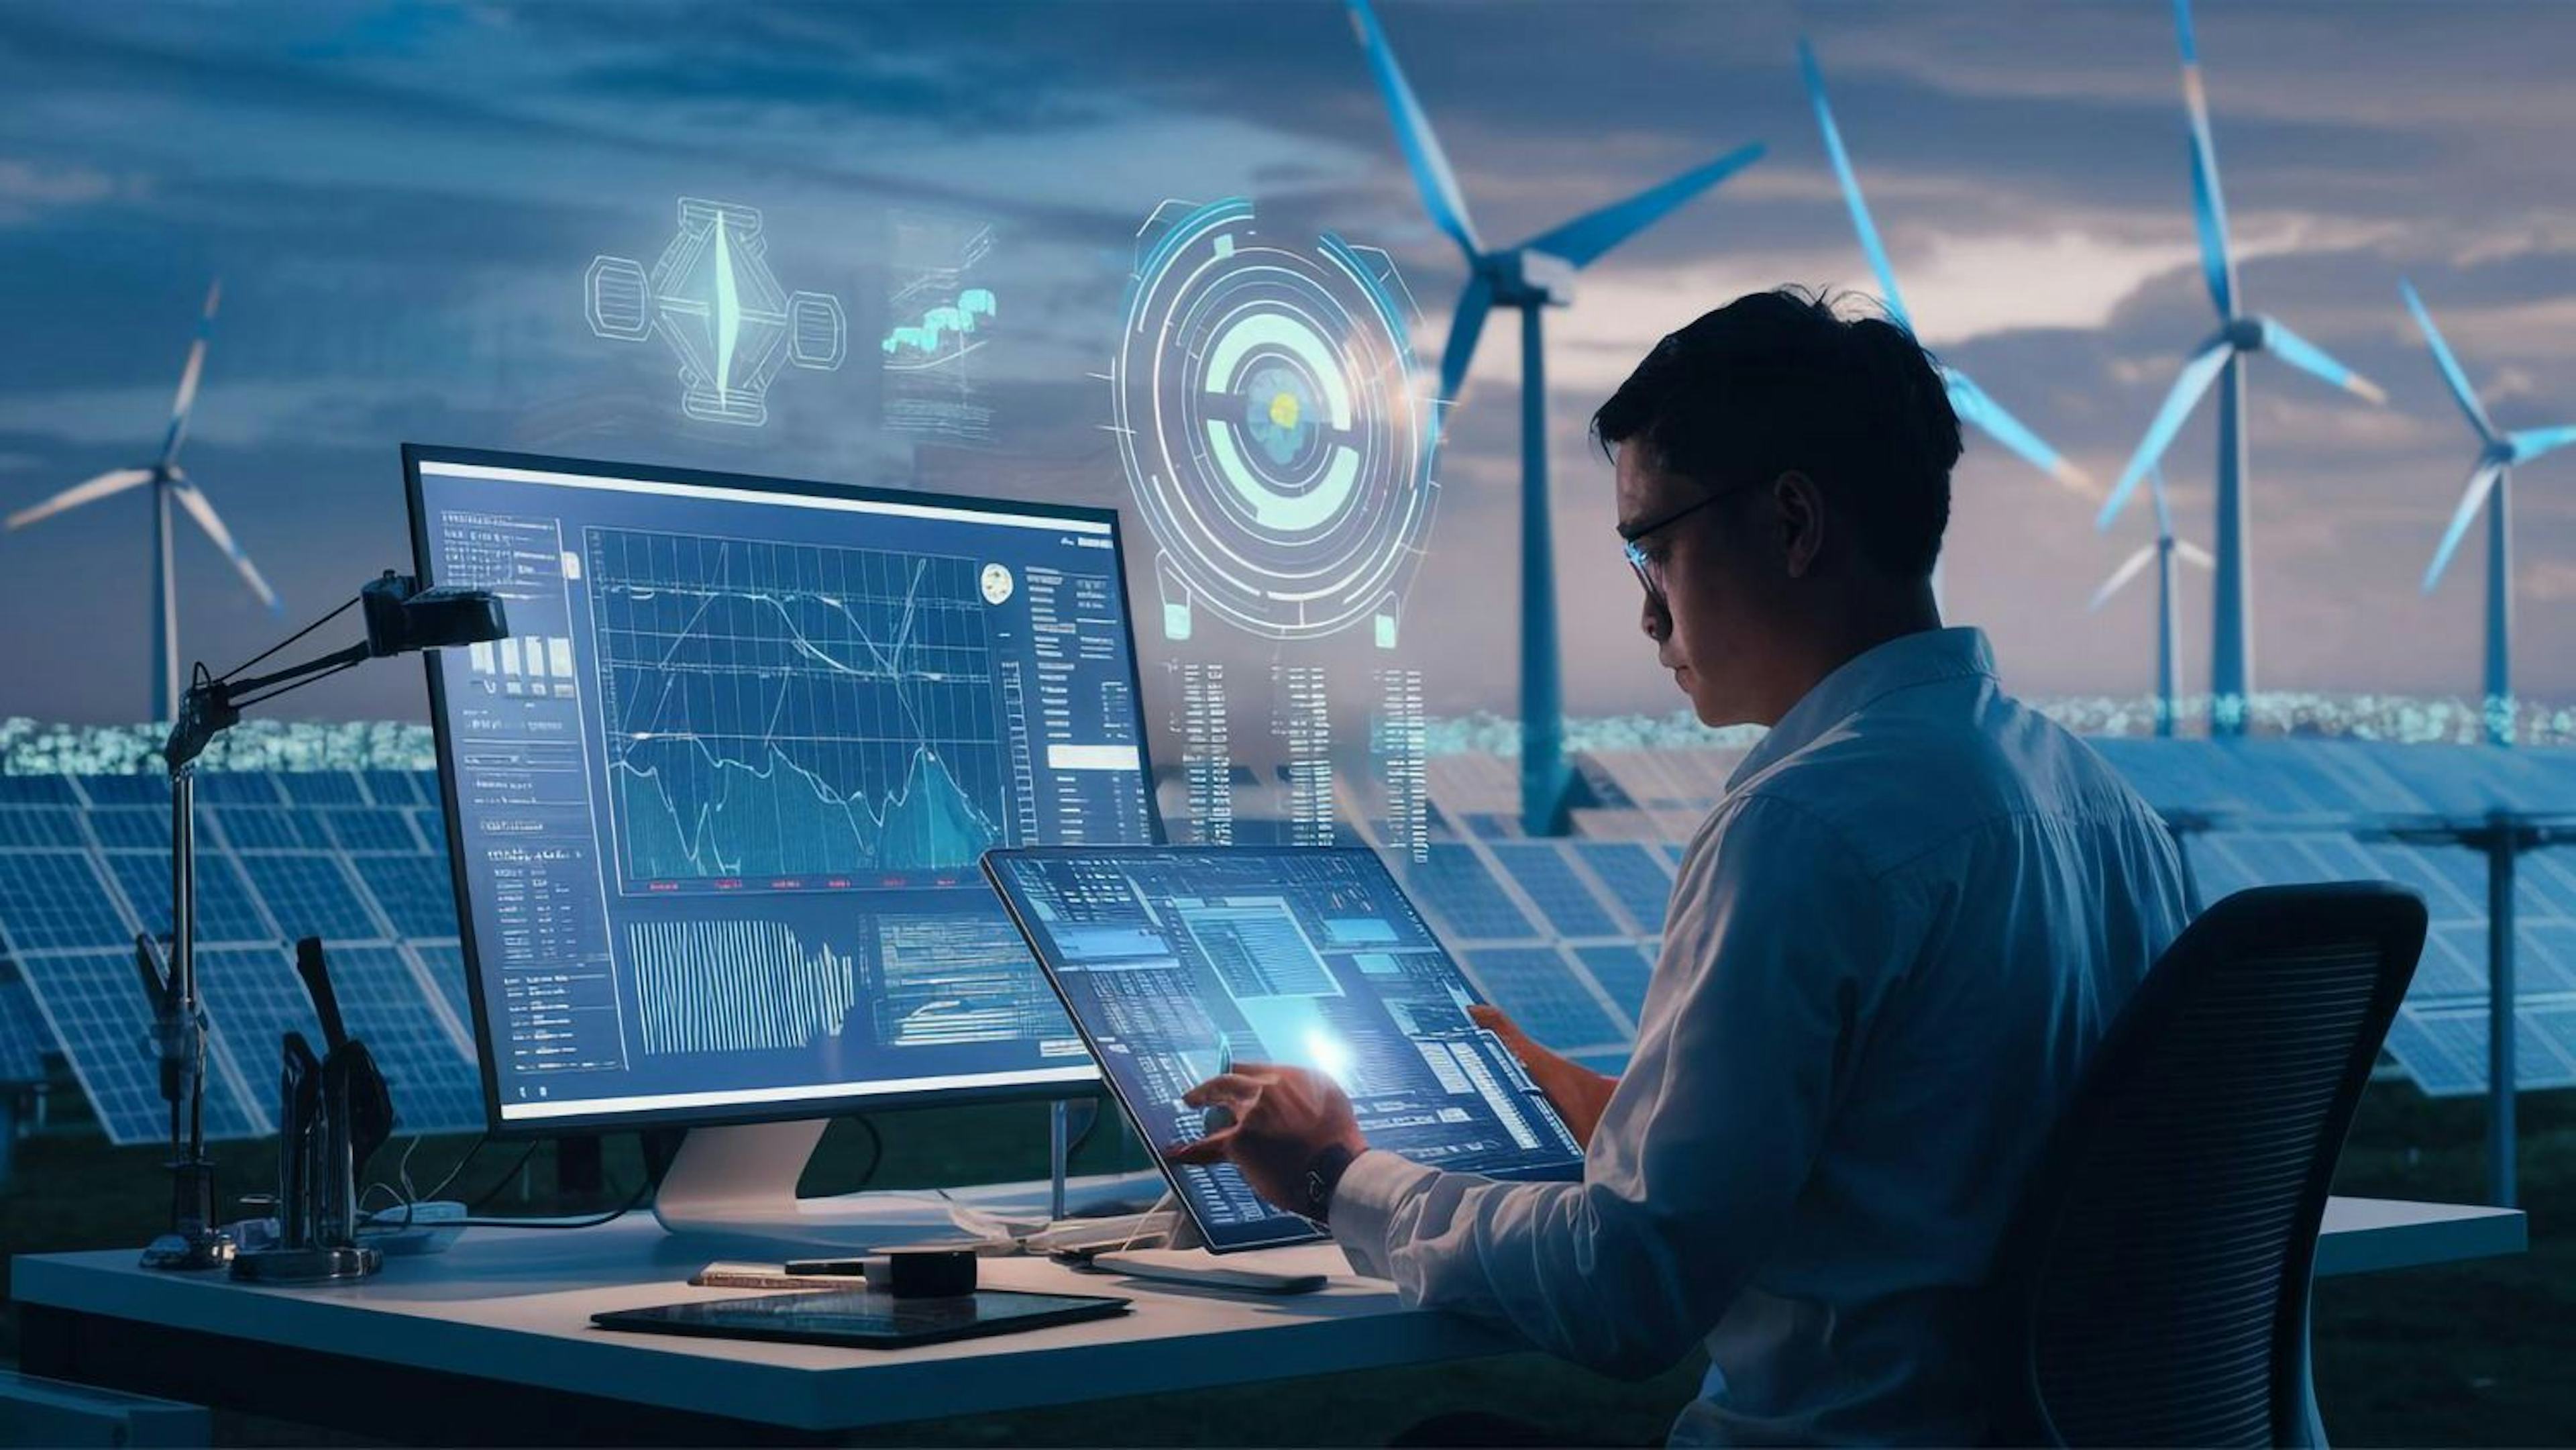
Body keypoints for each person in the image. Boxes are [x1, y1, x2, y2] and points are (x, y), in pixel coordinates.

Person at [1167, 287, 2194, 1445]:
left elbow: (1629, 1291)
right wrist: (1569, 1091)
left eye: (1652, 548)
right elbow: (1896, 1157)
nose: (1649, 619)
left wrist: (1334, 1175)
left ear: (1795, 524)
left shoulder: (1803, 827)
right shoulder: (2113, 818)